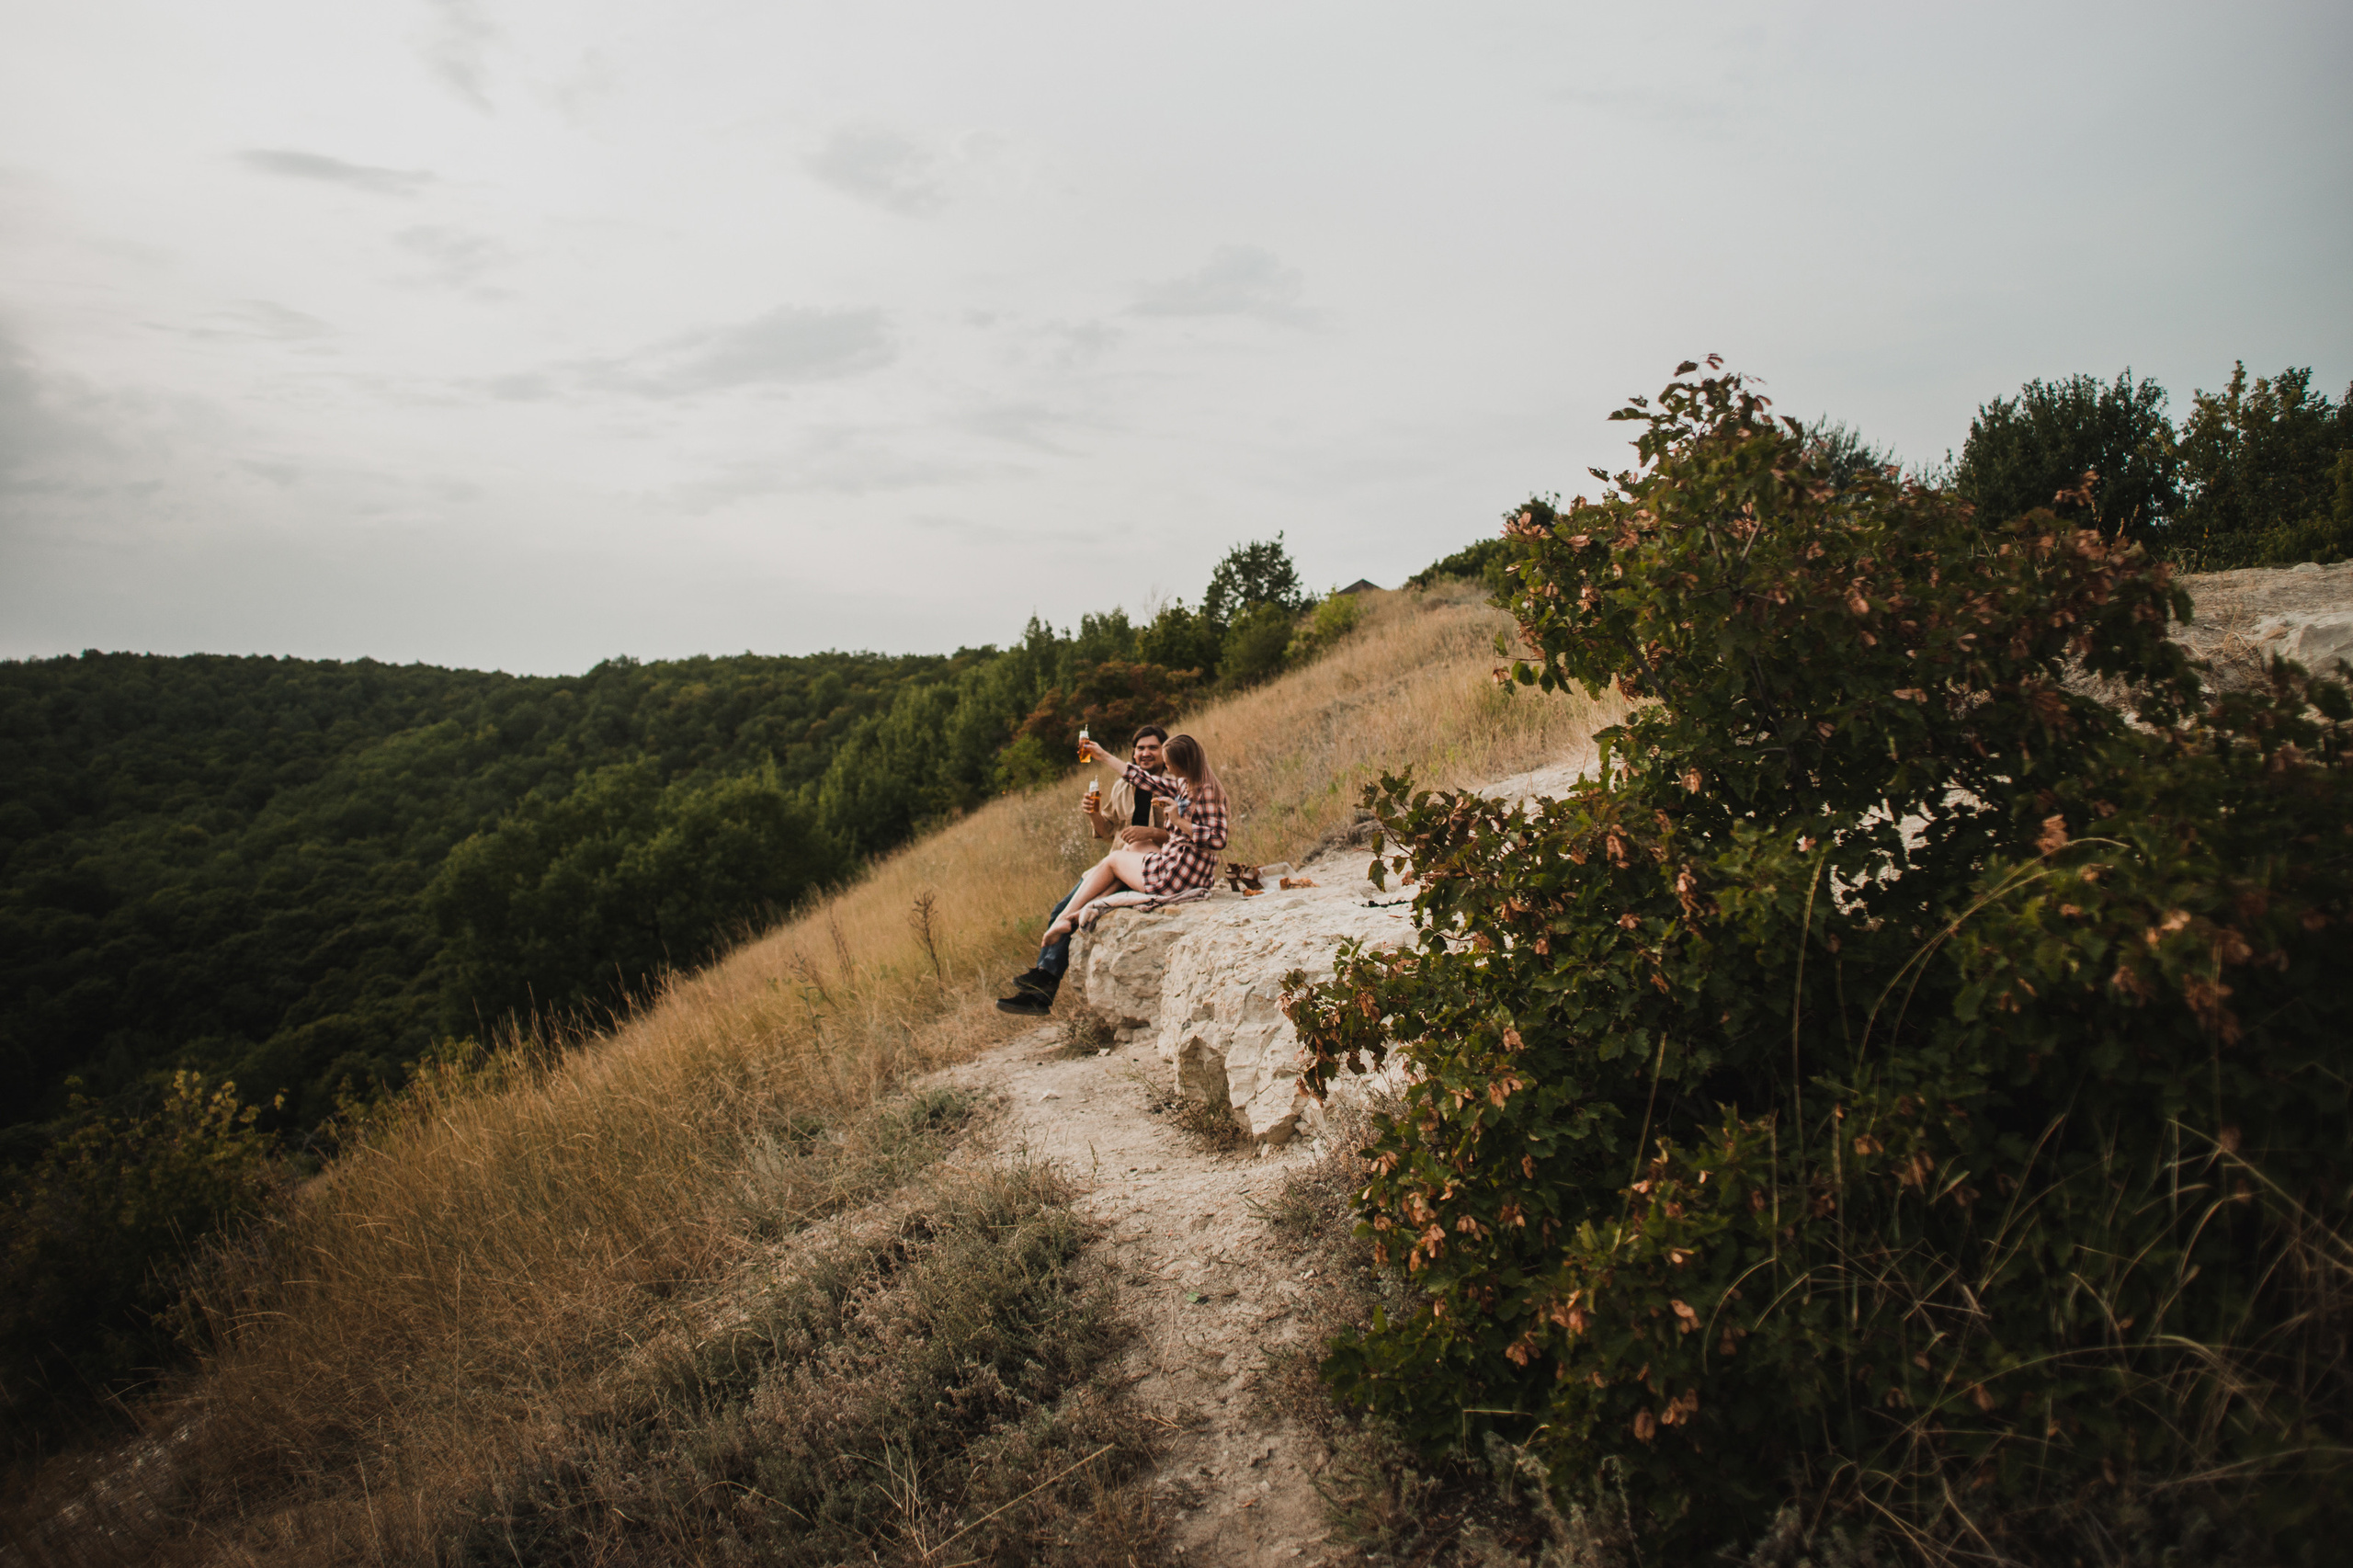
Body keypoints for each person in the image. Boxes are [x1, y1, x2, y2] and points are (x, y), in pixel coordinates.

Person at [995, 724, 1177, 1016]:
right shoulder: (1123, 786)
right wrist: (1093, 815)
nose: (1145, 754)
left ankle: (1043, 985)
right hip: (1117, 862)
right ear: (1133, 752)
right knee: (1060, 908)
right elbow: (1106, 832)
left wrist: (1152, 834)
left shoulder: (1174, 784)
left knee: (1083, 907)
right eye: (1140, 748)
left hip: (1148, 868)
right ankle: (1042, 987)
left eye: (1152, 748)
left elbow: (1188, 837)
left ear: (1164, 752)